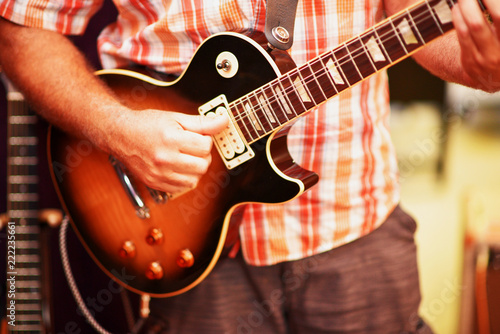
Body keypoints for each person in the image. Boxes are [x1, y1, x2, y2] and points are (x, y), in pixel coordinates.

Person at [0, 0, 499, 332]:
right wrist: (116, 130)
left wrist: (482, 59)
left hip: (356, 218)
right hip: (183, 239)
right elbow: (21, 28)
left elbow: (413, 17)